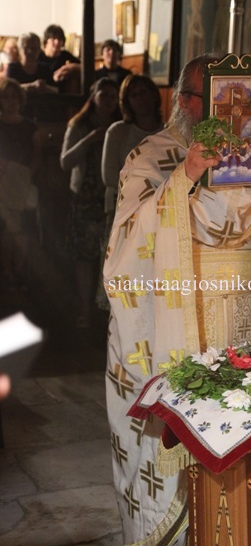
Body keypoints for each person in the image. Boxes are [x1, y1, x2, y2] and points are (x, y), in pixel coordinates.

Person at [100, 54, 251, 546]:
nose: (232, 112)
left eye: (242, 99)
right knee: (180, 463)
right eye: (217, 97)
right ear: (185, 101)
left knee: (242, 458)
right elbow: (125, 251)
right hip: (175, 326)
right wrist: (186, 177)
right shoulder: (152, 155)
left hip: (245, 328)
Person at [96, 74, 164, 310]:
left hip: (161, 211)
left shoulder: (169, 132)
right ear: (127, 101)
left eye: (144, 92)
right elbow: (108, 176)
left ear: (154, 95)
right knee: (123, 269)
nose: (140, 98)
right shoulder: (118, 132)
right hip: (124, 209)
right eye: (134, 95)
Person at [60, 77, 121, 328]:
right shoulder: (79, 124)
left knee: (110, 255)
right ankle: (85, 308)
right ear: (93, 96)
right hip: (85, 197)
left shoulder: (119, 126)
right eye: (104, 95)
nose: (109, 100)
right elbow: (65, 161)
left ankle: (108, 311)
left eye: (113, 96)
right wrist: (90, 139)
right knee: (85, 256)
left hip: (111, 198)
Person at [0, 78, 42, 288]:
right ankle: (7, 271)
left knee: (23, 229)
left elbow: (37, 154)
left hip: (24, 182)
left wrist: (24, 176)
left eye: (14, 97)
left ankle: (19, 269)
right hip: (2, 182)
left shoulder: (29, 126)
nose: (11, 102)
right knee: (7, 228)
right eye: (6, 97)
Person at [38, 24, 80, 93]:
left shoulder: (65, 55)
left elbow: (83, 66)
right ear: (46, 41)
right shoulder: (38, 55)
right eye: (54, 38)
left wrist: (71, 67)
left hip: (60, 93)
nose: (57, 42)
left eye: (60, 39)